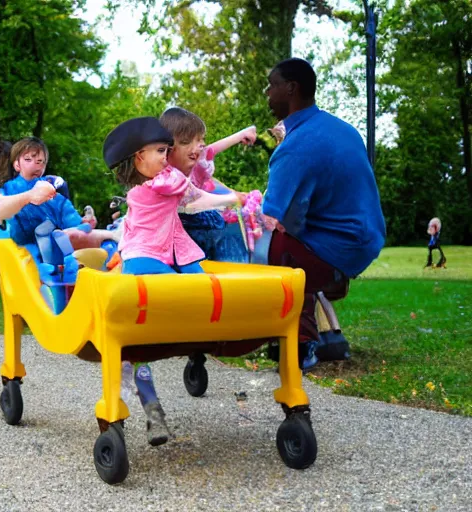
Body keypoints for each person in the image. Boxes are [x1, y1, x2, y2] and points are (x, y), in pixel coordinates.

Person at [102, 116, 240, 446]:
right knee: (140, 345)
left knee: (201, 293)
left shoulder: (164, 180)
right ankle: (152, 412)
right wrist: (230, 198)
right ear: (139, 158)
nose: (167, 155)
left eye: (167, 150)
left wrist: (231, 198)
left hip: (173, 254)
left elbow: (193, 202)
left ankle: (193, 348)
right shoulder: (156, 185)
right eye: (161, 150)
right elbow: (195, 202)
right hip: (146, 258)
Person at [263, 57, 386, 370]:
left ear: (291, 89)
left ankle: (301, 345)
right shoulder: (341, 129)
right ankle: (314, 333)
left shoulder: (294, 147)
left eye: (272, 85)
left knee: (275, 245)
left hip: (337, 249)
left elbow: (272, 218)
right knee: (288, 238)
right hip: (366, 240)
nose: (267, 92)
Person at [159, 107, 256, 262]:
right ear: (168, 148)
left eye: (200, 139)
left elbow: (210, 150)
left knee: (225, 224)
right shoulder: (165, 176)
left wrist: (241, 135)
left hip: (192, 232)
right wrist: (231, 198)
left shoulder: (191, 165)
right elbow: (194, 200)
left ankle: (234, 271)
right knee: (221, 226)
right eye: (188, 141)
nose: (200, 145)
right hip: (176, 235)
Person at [0, 137, 117, 250]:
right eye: (28, 160)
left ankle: (114, 236)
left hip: (59, 253)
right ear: (17, 164)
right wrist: (29, 196)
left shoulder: (53, 191)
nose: (36, 165)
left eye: (40, 162)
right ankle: (114, 235)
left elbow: (69, 217)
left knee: (75, 236)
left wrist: (82, 224)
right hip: (28, 253)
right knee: (53, 234)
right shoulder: (8, 191)